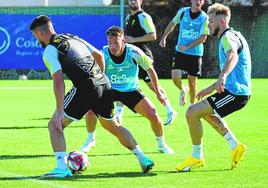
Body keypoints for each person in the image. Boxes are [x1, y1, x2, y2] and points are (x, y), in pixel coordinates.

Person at [30, 15, 155, 178]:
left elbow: (58, 80)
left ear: (40, 33)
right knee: (113, 126)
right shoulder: (73, 37)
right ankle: (143, 158)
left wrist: (60, 111)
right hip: (104, 83)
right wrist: (100, 77)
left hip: (85, 87)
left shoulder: (50, 51)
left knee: (55, 125)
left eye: (35, 36)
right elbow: (99, 56)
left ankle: (61, 168)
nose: (37, 40)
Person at [175, 3, 251, 172]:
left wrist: (221, 77)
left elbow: (233, 56)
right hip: (233, 91)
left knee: (191, 113)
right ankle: (235, 146)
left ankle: (196, 157)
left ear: (222, 21)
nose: (208, 24)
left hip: (236, 93)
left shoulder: (227, 37)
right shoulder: (233, 34)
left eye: (210, 21)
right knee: (204, 113)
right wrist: (210, 88)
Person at [80, 26, 174, 155]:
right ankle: (90, 139)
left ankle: (162, 144)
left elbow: (150, 70)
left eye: (116, 42)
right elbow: (96, 75)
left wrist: (158, 92)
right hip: (110, 90)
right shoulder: (104, 54)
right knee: (90, 110)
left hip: (131, 90)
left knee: (153, 115)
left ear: (123, 41)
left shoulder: (134, 52)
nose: (112, 46)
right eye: (109, 42)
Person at [115, 0, 176, 126]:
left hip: (143, 57)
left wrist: (134, 39)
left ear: (140, 1)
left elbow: (153, 35)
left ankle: (170, 110)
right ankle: (118, 115)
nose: (132, 1)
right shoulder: (128, 17)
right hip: (131, 57)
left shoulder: (144, 17)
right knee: (123, 82)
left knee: (153, 86)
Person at [159, 0, 209, 106]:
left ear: (203, 2)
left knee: (192, 83)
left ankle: (192, 105)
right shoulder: (182, 12)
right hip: (180, 52)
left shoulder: (204, 17)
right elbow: (172, 23)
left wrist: (187, 47)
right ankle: (182, 90)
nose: (198, 1)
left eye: (200, 0)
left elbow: (203, 38)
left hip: (195, 54)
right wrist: (164, 37)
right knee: (175, 78)